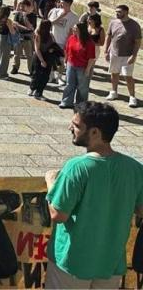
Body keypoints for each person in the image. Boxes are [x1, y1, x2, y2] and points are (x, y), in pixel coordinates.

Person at [45, 101, 143, 287]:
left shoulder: (76, 168)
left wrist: (51, 184)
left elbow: (58, 214)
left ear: (95, 132)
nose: (70, 128)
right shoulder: (135, 168)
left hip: (72, 262)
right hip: (111, 262)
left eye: (76, 125)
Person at [105, 4, 141, 106]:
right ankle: (114, 92)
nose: (117, 13)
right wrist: (106, 51)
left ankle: (132, 97)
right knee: (114, 73)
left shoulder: (134, 25)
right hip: (114, 53)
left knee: (128, 76)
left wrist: (133, 56)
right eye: (116, 11)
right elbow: (109, 37)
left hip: (127, 55)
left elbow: (138, 42)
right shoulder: (113, 22)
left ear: (126, 12)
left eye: (119, 12)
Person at [61, 22, 95, 109]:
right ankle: (66, 102)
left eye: (76, 29)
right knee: (69, 84)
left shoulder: (89, 42)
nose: (73, 30)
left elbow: (91, 58)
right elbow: (67, 49)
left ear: (81, 30)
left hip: (83, 67)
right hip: (71, 65)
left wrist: (88, 69)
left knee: (82, 87)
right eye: (74, 28)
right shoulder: (72, 38)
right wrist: (66, 61)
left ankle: (81, 104)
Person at [30, 20, 60, 99]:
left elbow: (54, 44)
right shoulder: (38, 35)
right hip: (39, 57)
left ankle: (39, 92)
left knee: (45, 76)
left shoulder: (50, 35)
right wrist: (42, 61)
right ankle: (32, 88)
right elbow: (37, 49)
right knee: (36, 75)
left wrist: (52, 49)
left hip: (48, 56)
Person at [0, 5, 17, 80]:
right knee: (5, 58)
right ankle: (2, 74)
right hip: (5, 39)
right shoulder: (8, 20)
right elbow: (12, 32)